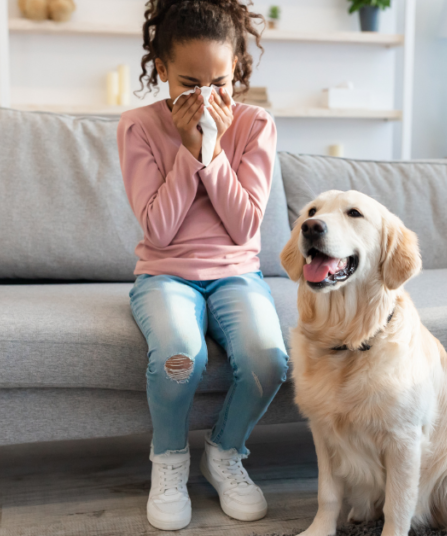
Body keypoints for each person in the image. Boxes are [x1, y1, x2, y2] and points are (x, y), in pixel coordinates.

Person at [115, 0, 286, 531]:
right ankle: (168, 462)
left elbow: (244, 228)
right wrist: (189, 151)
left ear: (237, 69)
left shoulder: (255, 125)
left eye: (221, 82)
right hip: (165, 274)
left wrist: (212, 154)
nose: (208, 99)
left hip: (236, 273)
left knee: (269, 361)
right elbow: (159, 231)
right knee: (179, 356)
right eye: (190, 83)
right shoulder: (138, 128)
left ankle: (225, 453)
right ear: (161, 70)